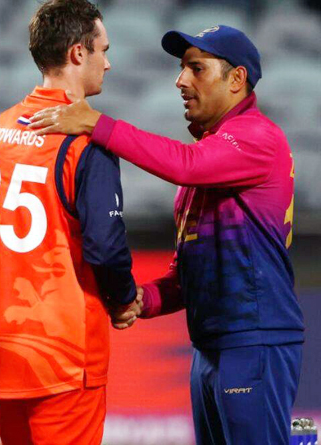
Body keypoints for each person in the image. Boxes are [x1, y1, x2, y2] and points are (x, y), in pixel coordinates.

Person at [29, 24, 303, 445]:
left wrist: (96, 123)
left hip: (254, 342)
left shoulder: (257, 137)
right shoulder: (214, 154)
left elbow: (184, 165)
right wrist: (145, 300)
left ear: (236, 79)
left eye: (197, 68)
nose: (181, 81)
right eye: (181, 68)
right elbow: (188, 271)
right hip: (213, 346)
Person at [0, 1, 140, 444]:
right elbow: (105, 247)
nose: (108, 64)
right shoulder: (86, 140)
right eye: (103, 50)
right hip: (63, 354)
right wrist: (123, 299)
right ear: (78, 53)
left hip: (0, 348)